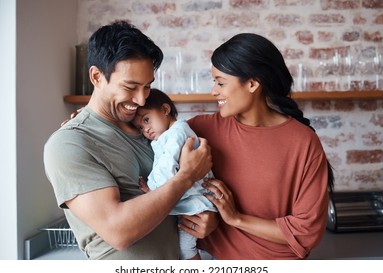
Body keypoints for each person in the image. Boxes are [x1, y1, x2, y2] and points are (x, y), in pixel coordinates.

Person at [43, 20, 217, 260]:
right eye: (130, 87)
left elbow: (178, 203)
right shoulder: (69, 144)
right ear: (96, 76)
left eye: (147, 87)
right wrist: (186, 176)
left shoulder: (147, 127)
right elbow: (119, 231)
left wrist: (208, 218)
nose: (141, 99)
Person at [183, 33, 335, 260]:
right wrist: (198, 219)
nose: (213, 91)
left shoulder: (303, 142)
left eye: (221, 82)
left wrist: (236, 218)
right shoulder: (197, 131)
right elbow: (168, 185)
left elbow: (307, 232)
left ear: (253, 83)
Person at [132, 88, 217, 260]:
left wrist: (152, 191)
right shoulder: (166, 136)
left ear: (165, 110)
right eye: (140, 127)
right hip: (189, 199)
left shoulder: (177, 133)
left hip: (197, 202)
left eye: (147, 120)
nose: (145, 130)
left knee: (186, 249)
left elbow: (167, 166)